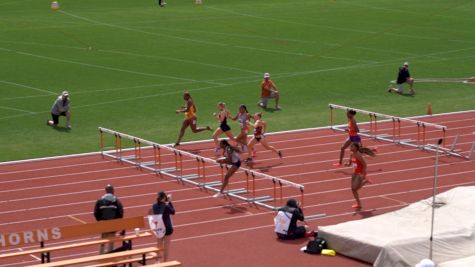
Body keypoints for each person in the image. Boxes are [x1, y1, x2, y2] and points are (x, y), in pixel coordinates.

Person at [93, 184, 124, 254]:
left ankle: (101, 255)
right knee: (111, 242)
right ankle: (110, 255)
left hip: (104, 224)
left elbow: (95, 212)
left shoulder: (100, 200)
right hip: (113, 225)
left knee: (102, 241)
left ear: (106, 191)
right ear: (113, 191)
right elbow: (121, 213)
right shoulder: (116, 201)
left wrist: (100, 220)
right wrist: (116, 221)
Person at [347, 142, 375, 210]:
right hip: (355, 172)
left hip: (360, 173)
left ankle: (365, 181)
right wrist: (347, 164)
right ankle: (359, 204)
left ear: (356, 148)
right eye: (350, 146)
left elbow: (365, 165)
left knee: (354, 188)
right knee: (353, 189)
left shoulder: (358, 155)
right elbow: (350, 163)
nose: (350, 147)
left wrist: (362, 174)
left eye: (352, 146)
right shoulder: (351, 154)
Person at [152, 191, 175, 261]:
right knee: (166, 247)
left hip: (159, 228)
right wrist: (170, 202)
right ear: (164, 198)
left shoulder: (154, 206)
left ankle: (157, 262)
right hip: (167, 229)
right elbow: (173, 212)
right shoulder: (166, 206)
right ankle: (165, 262)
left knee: (158, 246)